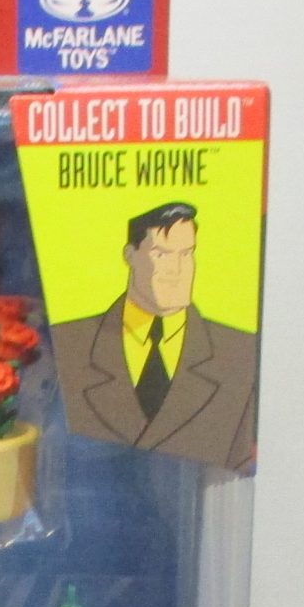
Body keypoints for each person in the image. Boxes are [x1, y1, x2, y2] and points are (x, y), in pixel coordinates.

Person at [47, 200, 258, 470]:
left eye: (186, 254)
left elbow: (242, 467)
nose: (177, 269)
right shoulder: (71, 341)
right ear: (130, 255)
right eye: (161, 255)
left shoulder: (235, 351)